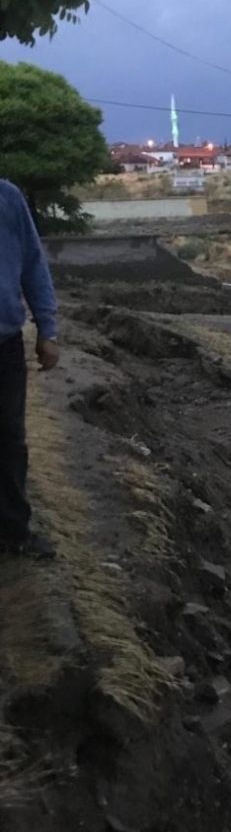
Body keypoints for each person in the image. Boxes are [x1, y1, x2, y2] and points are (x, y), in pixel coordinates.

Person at [0, 179, 60, 559]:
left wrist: (47, 330)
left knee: (9, 439)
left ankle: (13, 532)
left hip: (4, 344)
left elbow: (33, 263)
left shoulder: (7, 198)